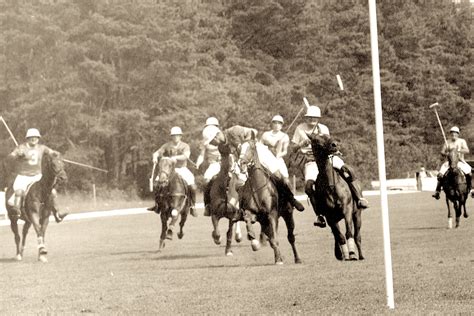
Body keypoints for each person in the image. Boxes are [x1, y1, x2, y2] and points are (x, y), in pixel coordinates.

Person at [292, 105, 369, 228]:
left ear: (318, 118)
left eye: (315, 117)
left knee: (347, 170)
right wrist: (302, 143)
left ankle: (359, 198)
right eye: (310, 117)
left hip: (327, 158)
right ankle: (320, 215)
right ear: (306, 118)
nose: (312, 119)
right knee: (308, 187)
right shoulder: (300, 129)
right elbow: (293, 148)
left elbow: (329, 144)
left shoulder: (323, 128)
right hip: (311, 161)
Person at [202, 124, 305, 213]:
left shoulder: (234, 130)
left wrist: (245, 146)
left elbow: (253, 132)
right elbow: (225, 164)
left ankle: (292, 200)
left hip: (257, 152)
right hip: (241, 161)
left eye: (211, 142)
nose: (211, 144)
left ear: (215, 136)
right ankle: (242, 209)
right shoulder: (222, 147)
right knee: (238, 183)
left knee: (278, 175)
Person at [7, 128, 68, 222]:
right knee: (19, 192)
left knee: (52, 192)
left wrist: (56, 154)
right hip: (24, 176)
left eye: (35, 137)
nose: (34, 139)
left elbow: (52, 153)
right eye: (31, 137)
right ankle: (17, 212)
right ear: (27, 138)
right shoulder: (21, 148)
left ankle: (57, 213)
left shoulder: (42, 148)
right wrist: (16, 155)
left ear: (38, 138)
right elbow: (11, 156)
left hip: (37, 176)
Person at [148, 126, 198, 217]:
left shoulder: (185, 146)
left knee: (192, 186)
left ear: (180, 136)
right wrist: (155, 157)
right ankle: (157, 205)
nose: (175, 137)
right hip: (169, 170)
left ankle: (192, 206)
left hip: (182, 169)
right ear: (171, 136)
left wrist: (175, 158)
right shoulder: (167, 145)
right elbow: (157, 153)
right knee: (156, 184)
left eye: (177, 135)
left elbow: (186, 156)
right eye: (173, 135)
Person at [432, 126, 473, 199]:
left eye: (455, 133)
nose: (453, 135)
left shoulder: (462, 141)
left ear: (458, 134)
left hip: (460, 161)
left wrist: (458, 151)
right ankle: (437, 191)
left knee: (469, 173)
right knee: (440, 175)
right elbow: (442, 151)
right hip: (449, 162)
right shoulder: (447, 142)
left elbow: (467, 150)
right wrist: (446, 153)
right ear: (450, 134)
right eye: (452, 133)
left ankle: (472, 189)